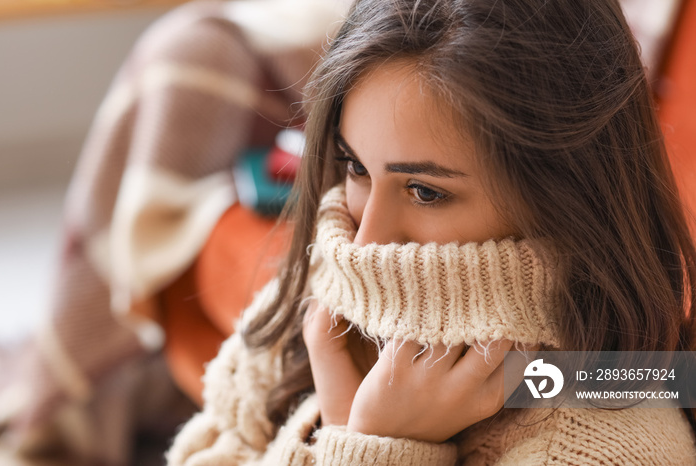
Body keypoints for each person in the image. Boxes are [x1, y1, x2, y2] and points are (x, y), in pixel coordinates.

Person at [166, 0, 696, 464]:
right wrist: (336, 412)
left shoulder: (608, 442)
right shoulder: (320, 313)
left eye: (425, 191)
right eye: (356, 168)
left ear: (563, 198)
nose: (364, 242)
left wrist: (378, 446)